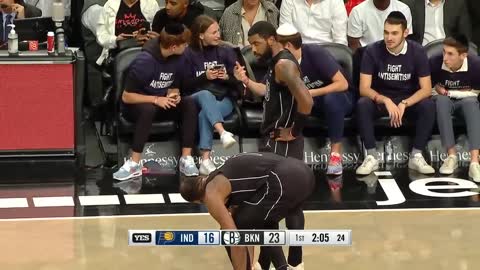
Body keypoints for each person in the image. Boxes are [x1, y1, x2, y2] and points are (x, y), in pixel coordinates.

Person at [233, 21, 313, 270]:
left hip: (281, 143)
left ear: (271, 39)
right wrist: (245, 81)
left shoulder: (283, 64)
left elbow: (307, 102)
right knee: (291, 203)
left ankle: (285, 265)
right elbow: (269, 93)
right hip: (280, 141)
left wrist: (294, 130)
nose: (253, 50)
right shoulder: (278, 63)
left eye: (256, 43)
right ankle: (291, 263)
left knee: (268, 208)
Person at [179, 152, 315, 270]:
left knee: (229, 233)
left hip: (286, 178)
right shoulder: (220, 175)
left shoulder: (211, 193)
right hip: (304, 172)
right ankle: (276, 266)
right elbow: (248, 226)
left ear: (196, 200)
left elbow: (235, 239)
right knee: (257, 220)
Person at [113, 24, 200, 180]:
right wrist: (155, 99)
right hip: (136, 105)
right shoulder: (144, 61)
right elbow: (126, 96)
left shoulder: (181, 57)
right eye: (184, 44)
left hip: (162, 101)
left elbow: (174, 84)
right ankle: (134, 163)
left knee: (189, 102)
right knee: (148, 109)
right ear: (173, 46)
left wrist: (174, 94)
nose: (187, 47)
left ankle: (186, 158)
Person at [355, 11, 435, 176]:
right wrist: (385, 100)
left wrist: (405, 103)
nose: (388, 37)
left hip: (407, 100)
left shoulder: (417, 51)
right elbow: (364, 88)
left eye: (394, 33)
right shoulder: (372, 51)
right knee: (363, 104)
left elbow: (426, 89)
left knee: (428, 105)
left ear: (405, 33)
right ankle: (371, 156)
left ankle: (416, 155)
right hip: (382, 99)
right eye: (386, 32)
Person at [275, 23, 354, 175]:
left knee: (331, 99)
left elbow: (342, 84)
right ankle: (286, 156)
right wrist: (247, 82)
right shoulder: (281, 63)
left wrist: (311, 93)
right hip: (313, 103)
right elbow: (266, 86)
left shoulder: (315, 53)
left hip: (341, 99)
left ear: (288, 46)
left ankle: (336, 155)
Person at [182, 15, 241, 176]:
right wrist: (204, 77)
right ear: (201, 35)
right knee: (205, 94)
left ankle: (205, 161)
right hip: (196, 98)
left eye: (218, 31)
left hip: (223, 98)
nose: (218, 35)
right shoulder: (188, 54)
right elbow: (183, 85)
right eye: (213, 32)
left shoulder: (226, 52)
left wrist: (227, 77)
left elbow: (239, 83)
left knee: (204, 115)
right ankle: (222, 132)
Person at [430, 35, 480, 181]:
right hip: (444, 102)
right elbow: (429, 89)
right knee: (442, 100)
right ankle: (451, 157)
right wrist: (443, 92)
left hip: (466, 102)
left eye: (450, 54)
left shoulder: (476, 65)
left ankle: (475, 162)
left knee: (471, 102)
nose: (445, 57)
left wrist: (449, 92)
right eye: (444, 52)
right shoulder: (434, 62)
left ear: (463, 55)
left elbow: (476, 93)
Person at [96, 0, 159, 65]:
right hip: (118, 55)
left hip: (145, 54)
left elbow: (159, 33)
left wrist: (149, 37)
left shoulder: (151, 3)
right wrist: (115, 40)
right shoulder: (110, 4)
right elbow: (101, 35)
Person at [347, 0, 412, 51]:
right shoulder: (358, 11)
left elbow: (405, 41)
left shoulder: (403, 9)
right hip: (367, 58)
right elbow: (354, 45)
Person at [401, 0, 471, 46]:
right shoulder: (409, 5)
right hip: (422, 52)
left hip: (450, 51)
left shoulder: (457, 4)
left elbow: (465, 35)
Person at [279, 0, 348, 45]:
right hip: (297, 50)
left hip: (327, 51)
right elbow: (285, 35)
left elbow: (340, 40)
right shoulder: (288, 1)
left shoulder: (335, 2)